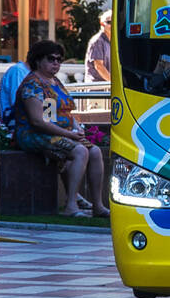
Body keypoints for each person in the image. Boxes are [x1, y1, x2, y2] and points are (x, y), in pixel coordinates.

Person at [13, 40, 108, 218]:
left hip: (56, 132)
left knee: (94, 151)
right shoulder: (33, 84)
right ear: (38, 60)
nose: (56, 63)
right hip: (34, 135)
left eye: (59, 59)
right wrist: (69, 134)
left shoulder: (54, 81)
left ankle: (98, 206)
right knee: (80, 151)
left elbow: (59, 113)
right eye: (51, 59)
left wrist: (77, 129)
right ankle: (71, 205)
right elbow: (38, 122)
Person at [85, 10, 112, 83]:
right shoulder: (97, 41)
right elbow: (99, 66)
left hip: (106, 87)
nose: (112, 25)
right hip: (97, 89)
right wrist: (114, 83)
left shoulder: (112, 41)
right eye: (109, 22)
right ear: (102, 24)